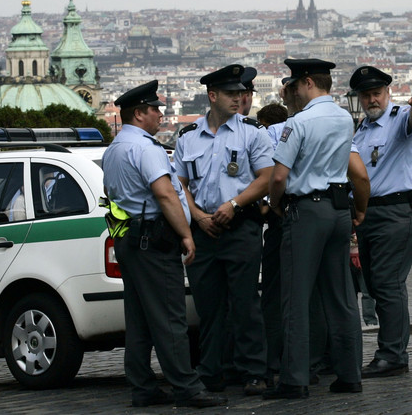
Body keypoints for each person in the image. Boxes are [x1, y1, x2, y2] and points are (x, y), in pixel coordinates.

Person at [102, 80, 226, 409]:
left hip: (128, 237)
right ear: (139, 113)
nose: (161, 114)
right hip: (153, 240)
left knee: (140, 317)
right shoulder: (145, 148)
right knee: (170, 315)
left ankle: (142, 385)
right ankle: (187, 386)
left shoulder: (114, 148)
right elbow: (165, 193)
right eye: (155, 109)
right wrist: (186, 234)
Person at [263, 58, 369, 399]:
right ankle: (350, 374)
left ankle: (295, 379)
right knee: (341, 297)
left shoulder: (299, 122)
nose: (291, 93)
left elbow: (278, 176)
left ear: (307, 83)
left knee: (296, 298)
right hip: (339, 208)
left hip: (305, 211)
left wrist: (276, 203)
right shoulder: (343, 117)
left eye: (294, 86)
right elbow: (356, 170)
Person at [174, 65, 274, 396]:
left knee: (245, 303)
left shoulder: (252, 131)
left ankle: (253, 370)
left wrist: (233, 204)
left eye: (241, 93)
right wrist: (198, 216)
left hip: (241, 226)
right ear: (212, 96)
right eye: (231, 94)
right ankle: (212, 370)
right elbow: (181, 184)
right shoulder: (188, 136)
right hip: (205, 230)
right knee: (209, 306)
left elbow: (266, 177)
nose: (239, 98)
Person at [350, 66, 412, 378]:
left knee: (388, 282)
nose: (372, 99)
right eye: (366, 94)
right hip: (370, 213)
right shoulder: (362, 129)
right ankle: (392, 350)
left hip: (398, 211)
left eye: (377, 93)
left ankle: (393, 354)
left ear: (388, 93)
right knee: (376, 282)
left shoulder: (398, 117)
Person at [255, 102, 288, 386]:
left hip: (279, 220)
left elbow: (273, 177)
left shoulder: (267, 135)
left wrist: (269, 205)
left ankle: (273, 360)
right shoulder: (297, 130)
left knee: (273, 295)